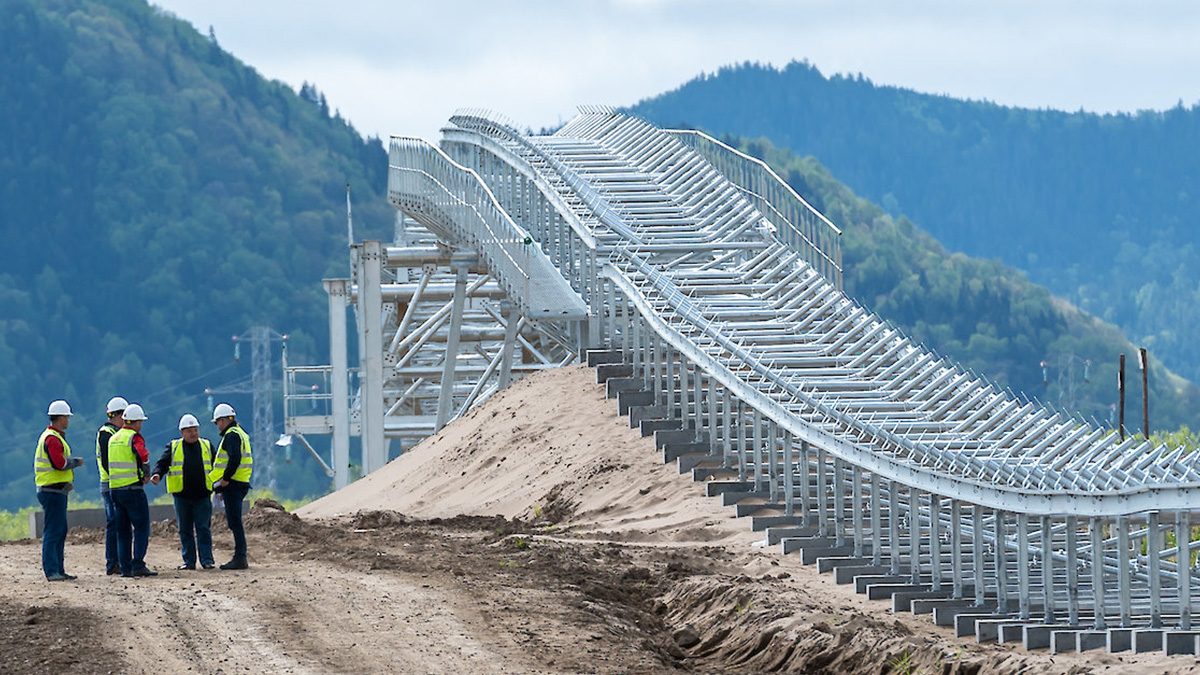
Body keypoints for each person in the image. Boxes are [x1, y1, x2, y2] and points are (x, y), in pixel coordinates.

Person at [150, 414, 215, 570]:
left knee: (203, 529)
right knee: (185, 530)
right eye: (190, 431)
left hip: (202, 495)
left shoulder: (207, 446)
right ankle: (189, 561)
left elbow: (217, 465)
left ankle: (207, 560)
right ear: (182, 433)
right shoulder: (173, 447)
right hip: (182, 497)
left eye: (195, 430)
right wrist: (157, 474)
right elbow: (162, 463)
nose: (193, 433)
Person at [34, 400, 85, 581]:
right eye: (67, 417)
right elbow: (60, 464)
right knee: (54, 530)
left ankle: (58, 569)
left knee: (59, 529)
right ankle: (52, 570)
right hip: (52, 492)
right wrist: (76, 463)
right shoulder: (52, 438)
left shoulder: (52, 436)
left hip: (55, 490)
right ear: (61, 418)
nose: (68, 421)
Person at [107, 403, 158, 577]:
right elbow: (143, 456)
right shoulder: (134, 437)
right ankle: (138, 564)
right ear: (136, 422)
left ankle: (126, 568)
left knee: (122, 530)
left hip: (115, 490)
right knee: (142, 527)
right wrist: (146, 474)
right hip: (133, 489)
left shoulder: (113, 438)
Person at [210, 403, 252, 570]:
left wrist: (225, 479)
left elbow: (234, 458)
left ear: (223, 420)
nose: (217, 426)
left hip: (233, 484)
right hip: (240, 482)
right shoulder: (240, 433)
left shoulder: (232, 435)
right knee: (234, 521)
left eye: (217, 422)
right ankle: (239, 556)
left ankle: (240, 557)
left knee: (234, 521)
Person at [96, 396, 127, 576]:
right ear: (118, 415)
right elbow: (109, 462)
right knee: (114, 523)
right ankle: (113, 563)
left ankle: (117, 562)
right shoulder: (107, 433)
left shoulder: (112, 432)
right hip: (111, 484)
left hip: (116, 483)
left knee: (117, 523)